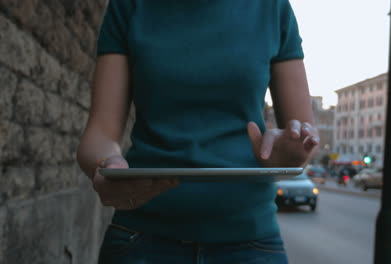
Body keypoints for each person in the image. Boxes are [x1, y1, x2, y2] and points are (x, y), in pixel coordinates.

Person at [76, 0, 319, 263]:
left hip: (250, 242)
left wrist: (289, 152)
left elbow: (304, 134)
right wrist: (106, 165)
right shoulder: (129, 6)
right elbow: (99, 134)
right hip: (141, 239)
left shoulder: (272, 8)